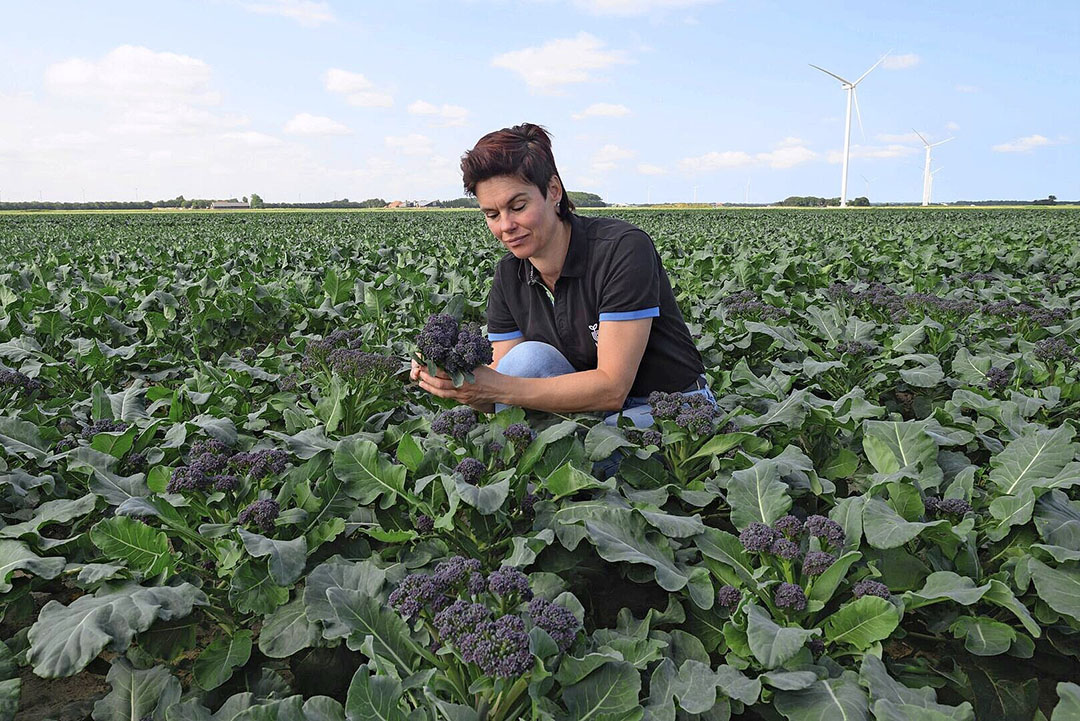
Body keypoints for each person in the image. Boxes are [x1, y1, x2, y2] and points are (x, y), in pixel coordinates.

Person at [411, 123, 712, 427]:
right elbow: (502, 389)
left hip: (671, 407)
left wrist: (496, 387)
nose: (505, 226)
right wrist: (457, 381)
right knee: (525, 363)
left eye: (517, 206)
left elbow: (612, 388)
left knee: (593, 451)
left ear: (554, 191)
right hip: (588, 409)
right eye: (491, 214)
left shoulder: (622, 249)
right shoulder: (509, 274)